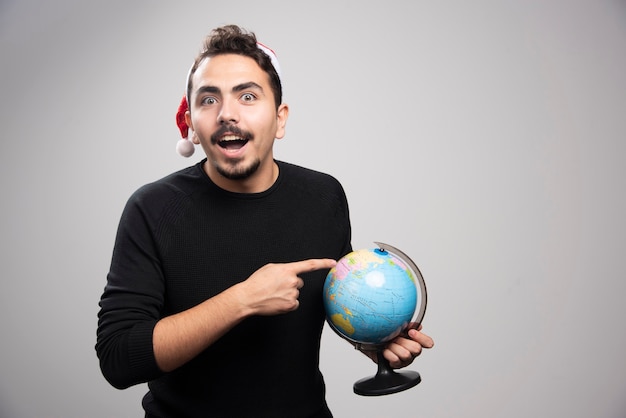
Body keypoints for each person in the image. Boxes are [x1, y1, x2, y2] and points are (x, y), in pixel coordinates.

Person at [96, 24, 434, 418]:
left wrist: (372, 340)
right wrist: (242, 300)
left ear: (280, 118)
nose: (227, 113)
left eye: (248, 96)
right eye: (208, 99)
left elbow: (333, 298)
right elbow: (118, 359)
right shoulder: (152, 208)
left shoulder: (324, 196)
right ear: (191, 122)